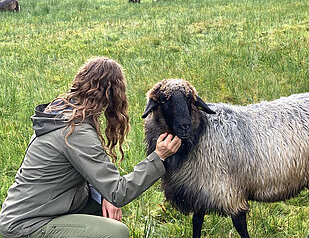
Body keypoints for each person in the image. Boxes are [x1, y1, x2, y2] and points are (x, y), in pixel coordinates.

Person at [0, 57, 181, 238]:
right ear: (112, 94)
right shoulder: (75, 131)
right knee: (115, 232)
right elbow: (119, 193)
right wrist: (159, 157)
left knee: (100, 209)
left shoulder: (63, 112)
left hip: (38, 209)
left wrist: (103, 195)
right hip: (27, 225)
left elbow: (94, 176)